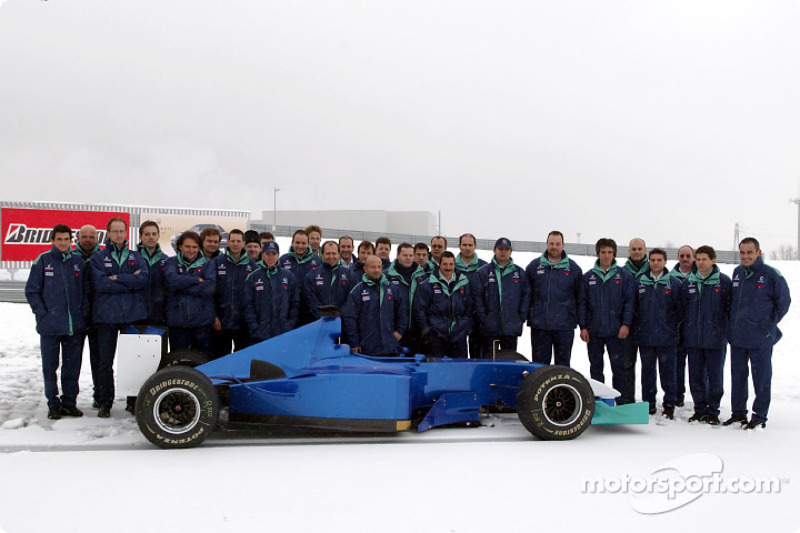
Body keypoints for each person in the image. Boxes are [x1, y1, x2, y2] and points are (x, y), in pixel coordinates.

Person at [724, 237, 791, 429]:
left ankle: (759, 416)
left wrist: (768, 326)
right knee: (737, 377)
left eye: (749, 253)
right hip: (738, 338)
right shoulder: (737, 273)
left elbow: (783, 303)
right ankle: (738, 413)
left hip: (760, 338)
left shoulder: (770, 275)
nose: (746, 256)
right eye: (742, 253)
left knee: (761, 379)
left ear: (758, 253)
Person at [25, 224, 88, 420]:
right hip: (50, 326)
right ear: (52, 240)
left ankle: (69, 402)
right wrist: (42, 313)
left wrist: (82, 313)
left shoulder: (78, 262)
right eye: (59, 239)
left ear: (71, 241)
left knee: (72, 367)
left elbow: (86, 291)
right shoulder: (43, 261)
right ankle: (53, 404)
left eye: (66, 239)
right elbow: (32, 291)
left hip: (73, 326)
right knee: (50, 367)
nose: (62, 243)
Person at [90, 217, 148, 418]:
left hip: (132, 316)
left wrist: (116, 277)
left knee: (133, 361)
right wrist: (129, 282)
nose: (119, 235)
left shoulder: (135, 256)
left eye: (122, 231)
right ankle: (105, 402)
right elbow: (100, 284)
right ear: (108, 233)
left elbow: (143, 280)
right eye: (115, 231)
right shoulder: (98, 257)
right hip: (106, 317)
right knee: (105, 362)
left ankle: (133, 402)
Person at [578, 238, 635, 405]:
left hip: (616, 332)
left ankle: (621, 401)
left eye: (610, 252)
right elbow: (582, 303)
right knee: (596, 369)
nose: (606, 256)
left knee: (619, 369)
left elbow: (629, 303)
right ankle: (598, 401)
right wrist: (583, 327)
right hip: (594, 332)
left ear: (614, 254)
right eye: (603, 252)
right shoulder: (588, 277)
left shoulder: (624, 276)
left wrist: (625, 324)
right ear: (598, 254)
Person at [680, 246, 731, 425]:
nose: (701, 263)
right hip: (694, 339)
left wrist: (723, 330)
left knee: (715, 377)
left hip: (715, 339)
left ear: (713, 260)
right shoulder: (689, 283)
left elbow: (729, 309)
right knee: (695, 377)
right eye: (698, 259)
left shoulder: (723, 282)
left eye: (704, 259)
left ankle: (713, 410)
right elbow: (682, 309)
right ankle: (699, 409)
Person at [634, 248, 684, 419]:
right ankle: (648, 403)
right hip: (645, 336)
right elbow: (634, 308)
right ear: (649, 261)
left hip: (667, 337)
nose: (655, 263)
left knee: (668, 372)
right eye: (652, 260)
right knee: (647, 372)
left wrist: (673, 329)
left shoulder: (674, 284)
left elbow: (681, 311)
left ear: (665, 262)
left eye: (659, 260)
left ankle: (669, 403)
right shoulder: (640, 282)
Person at [526, 230, 583, 366]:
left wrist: (580, 322)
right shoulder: (534, 267)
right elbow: (526, 294)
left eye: (558, 244)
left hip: (564, 327)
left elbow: (580, 298)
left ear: (563, 245)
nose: (554, 247)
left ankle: (560, 388)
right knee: (539, 366)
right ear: (547, 244)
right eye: (551, 243)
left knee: (562, 366)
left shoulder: (573, 269)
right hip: (540, 326)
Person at [164, 231, 217, 356]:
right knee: (178, 359)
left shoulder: (208, 264)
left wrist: (182, 287)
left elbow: (209, 288)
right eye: (187, 247)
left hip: (201, 322)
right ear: (180, 247)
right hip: (178, 322)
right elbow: (171, 282)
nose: (191, 250)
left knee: (201, 361)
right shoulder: (171, 262)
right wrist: (195, 280)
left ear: (199, 247)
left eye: (194, 247)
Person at [341, 255, 407, 356]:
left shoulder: (392, 288)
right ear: (365, 269)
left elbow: (402, 311)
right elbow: (350, 318)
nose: (376, 270)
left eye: (379, 267)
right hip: (367, 348)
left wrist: (400, 331)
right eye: (372, 267)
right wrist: (355, 343)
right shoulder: (357, 291)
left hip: (390, 347)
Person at [475, 238, 530, 356]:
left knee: (509, 360)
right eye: (500, 249)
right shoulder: (484, 272)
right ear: (494, 250)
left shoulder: (519, 273)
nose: (503, 252)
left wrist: (521, 317)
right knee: (488, 360)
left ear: (511, 251)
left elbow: (526, 295)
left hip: (511, 327)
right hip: (490, 327)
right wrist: (483, 317)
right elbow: (477, 296)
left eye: (506, 249)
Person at [414, 251, 473, 357]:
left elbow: (469, 308)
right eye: (445, 264)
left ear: (455, 265)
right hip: (436, 337)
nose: (448, 267)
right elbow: (420, 311)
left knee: (459, 370)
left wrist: (465, 327)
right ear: (439, 265)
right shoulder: (427, 285)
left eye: (451, 264)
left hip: (458, 336)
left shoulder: (464, 283)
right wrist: (428, 331)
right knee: (437, 371)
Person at [211, 229, 257, 357]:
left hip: (243, 323)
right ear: (228, 243)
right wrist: (214, 316)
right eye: (233, 241)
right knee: (220, 356)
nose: (235, 244)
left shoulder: (252, 266)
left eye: (238, 241)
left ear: (243, 243)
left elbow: (256, 296)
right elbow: (210, 292)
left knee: (241, 357)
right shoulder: (217, 263)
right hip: (222, 322)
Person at [243, 241, 300, 342]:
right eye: (267, 254)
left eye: (273, 254)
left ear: (278, 255)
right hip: (261, 333)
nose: (271, 257)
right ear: (262, 255)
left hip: (283, 331)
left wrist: (289, 324)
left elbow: (294, 302)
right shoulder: (253, 277)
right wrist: (255, 327)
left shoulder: (288, 276)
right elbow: (248, 305)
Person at [72, 224, 101, 408]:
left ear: (97, 238)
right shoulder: (71, 258)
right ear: (78, 238)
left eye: (92, 236)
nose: (88, 240)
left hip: (99, 316)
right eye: (85, 236)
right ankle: (70, 399)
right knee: (73, 361)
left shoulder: (102, 257)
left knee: (99, 361)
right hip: (76, 317)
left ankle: (100, 396)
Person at [385, 242, 427, 355]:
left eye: (410, 255)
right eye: (404, 255)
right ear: (398, 256)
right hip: (395, 331)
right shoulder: (386, 276)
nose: (408, 258)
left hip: (416, 331)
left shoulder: (422, 276)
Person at [621, 237, 648, 405]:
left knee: (648, 367)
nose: (637, 252)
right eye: (633, 249)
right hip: (628, 327)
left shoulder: (652, 270)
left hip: (648, 326)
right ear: (629, 251)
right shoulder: (622, 272)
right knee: (626, 365)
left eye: (640, 249)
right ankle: (627, 399)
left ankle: (648, 401)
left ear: (645, 251)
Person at [303, 240, 357, 321]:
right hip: (318, 322)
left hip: (342, 323)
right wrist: (322, 315)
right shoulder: (312, 275)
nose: (331, 256)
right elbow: (310, 300)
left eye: (334, 253)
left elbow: (350, 300)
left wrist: (338, 315)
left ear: (339, 254)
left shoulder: (350, 275)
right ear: (322, 255)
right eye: (328, 253)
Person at [279, 230, 322, 325]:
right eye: (297, 242)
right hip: (289, 309)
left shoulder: (317, 260)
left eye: (303, 243)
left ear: (308, 244)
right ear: (292, 243)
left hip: (310, 310)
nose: (300, 246)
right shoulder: (283, 260)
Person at [671, 245, 695, 406]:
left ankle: (702, 400)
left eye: (688, 256)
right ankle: (677, 395)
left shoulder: (700, 275)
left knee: (697, 368)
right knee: (677, 365)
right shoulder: (670, 277)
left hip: (695, 329)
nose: (685, 259)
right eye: (682, 256)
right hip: (676, 330)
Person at [455, 233, 487, 358]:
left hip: (478, 317)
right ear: (459, 246)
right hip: (458, 316)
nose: (467, 248)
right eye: (464, 245)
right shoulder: (451, 266)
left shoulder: (484, 267)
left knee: (477, 353)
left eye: (470, 245)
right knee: (458, 354)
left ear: (475, 246)